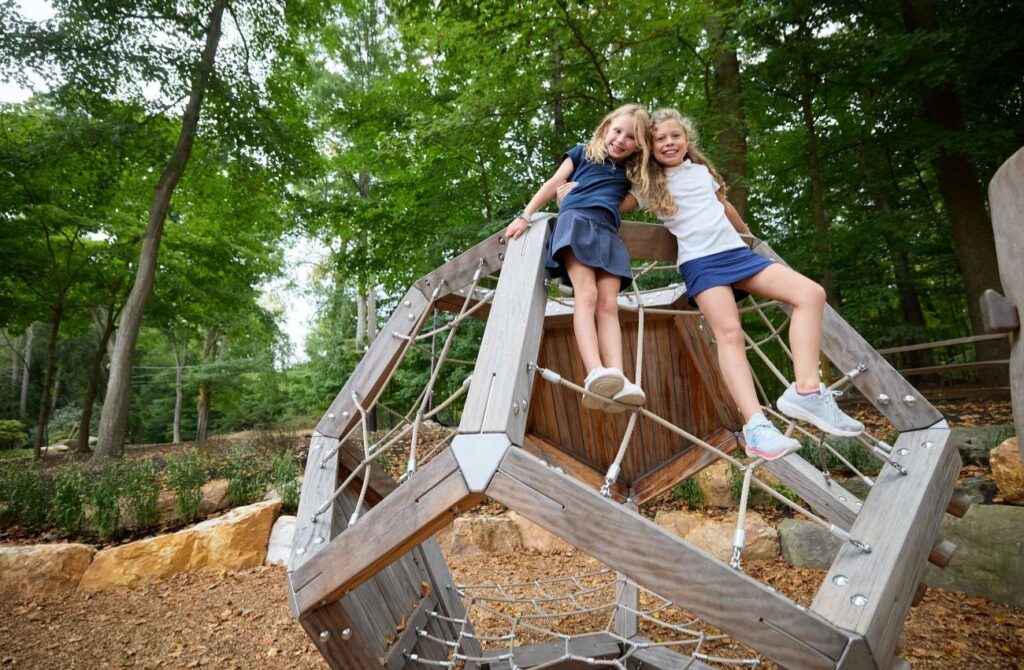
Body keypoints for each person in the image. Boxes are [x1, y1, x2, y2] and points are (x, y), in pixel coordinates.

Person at [626, 108, 863, 459]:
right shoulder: (650, 183)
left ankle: (807, 391)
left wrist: (749, 238)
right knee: (731, 334)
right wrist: (574, 197)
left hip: (737, 254)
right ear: (649, 146)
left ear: (686, 139)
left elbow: (724, 207)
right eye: (659, 139)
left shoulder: (702, 172)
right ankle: (756, 427)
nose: (669, 143)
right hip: (701, 262)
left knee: (811, 294)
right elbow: (617, 206)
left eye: (675, 135)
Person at [506, 103, 651, 412]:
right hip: (577, 224)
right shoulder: (583, 153)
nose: (621, 140)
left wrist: (599, 203)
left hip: (607, 234)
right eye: (617, 131)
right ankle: (595, 371)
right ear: (606, 128)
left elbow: (629, 202)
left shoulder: (631, 172)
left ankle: (618, 378)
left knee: (609, 304)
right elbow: (551, 184)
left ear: (639, 145)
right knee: (586, 294)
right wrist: (525, 216)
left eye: (630, 137)